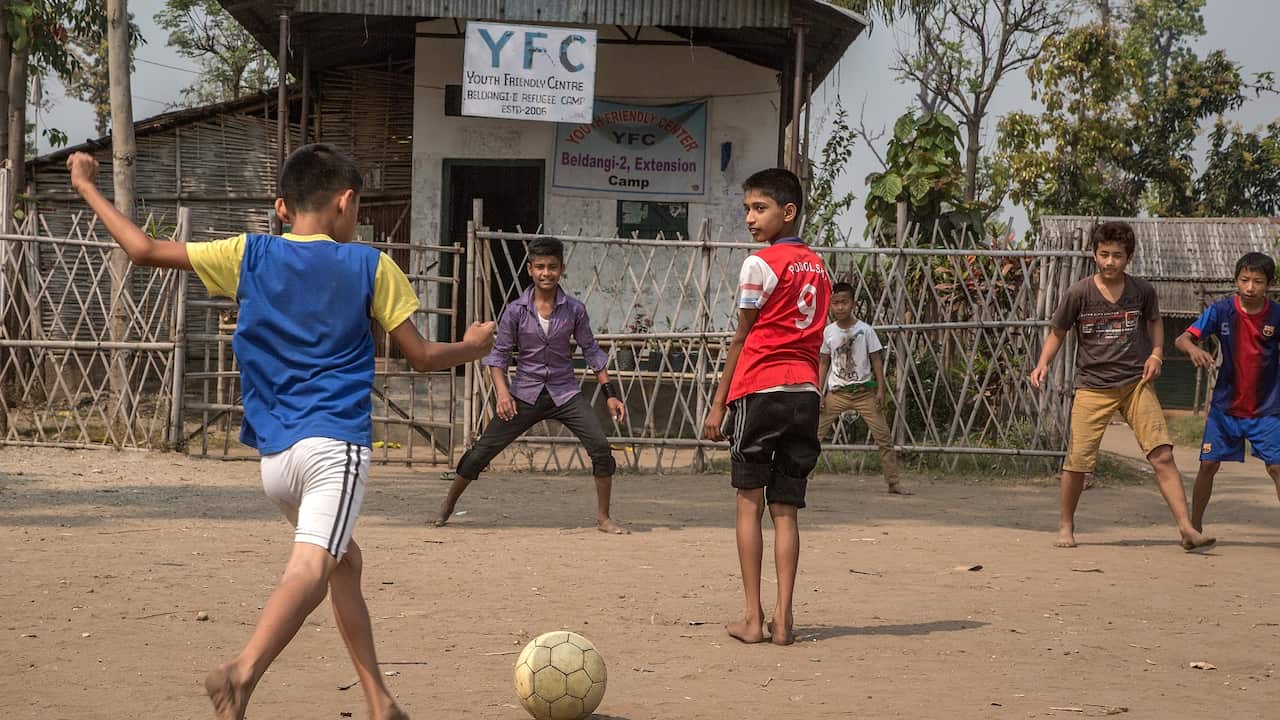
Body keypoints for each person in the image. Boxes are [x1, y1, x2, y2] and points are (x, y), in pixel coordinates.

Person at [67, 144, 496, 720]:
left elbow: (142, 250)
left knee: (344, 563)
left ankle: (379, 701)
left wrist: (87, 187)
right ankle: (243, 673)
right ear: (346, 202)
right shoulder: (370, 265)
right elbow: (418, 356)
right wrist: (472, 346)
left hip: (276, 460)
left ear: (281, 207)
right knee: (312, 567)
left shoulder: (249, 253)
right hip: (333, 448)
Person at [703, 168, 831, 646]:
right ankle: (785, 619)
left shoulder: (759, 264)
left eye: (759, 208)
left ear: (788, 212)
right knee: (787, 510)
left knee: (747, 503)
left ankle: (754, 619)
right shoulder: (819, 267)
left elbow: (742, 337)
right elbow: (817, 343)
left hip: (760, 391)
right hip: (805, 395)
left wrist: (719, 404)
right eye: (747, 210)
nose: (750, 219)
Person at [1030, 220, 1214, 551]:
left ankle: (1186, 527)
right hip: (1093, 386)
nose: (1110, 262)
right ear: (1094, 255)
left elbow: (1156, 322)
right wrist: (1043, 364)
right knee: (1078, 461)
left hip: (1136, 384)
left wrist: (1157, 354)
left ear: (1128, 257)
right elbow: (1058, 332)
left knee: (1163, 455)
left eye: (1117, 255)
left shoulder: (1141, 291)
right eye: (1104, 255)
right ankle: (1065, 525)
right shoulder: (1079, 293)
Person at [435, 236, 629, 534]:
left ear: (561, 269)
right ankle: (447, 506)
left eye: (552, 267)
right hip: (524, 393)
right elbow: (497, 357)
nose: (546, 273)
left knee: (601, 447)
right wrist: (502, 394)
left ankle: (603, 517)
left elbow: (592, 351)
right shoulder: (515, 311)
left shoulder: (574, 309)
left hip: (565, 393)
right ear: (530, 269)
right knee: (482, 451)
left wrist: (610, 394)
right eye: (540, 267)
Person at [1174, 252, 1280, 532]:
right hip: (1225, 408)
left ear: (1268, 284)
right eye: (1245, 280)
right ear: (1236, 280)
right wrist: (1194, 348)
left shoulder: (1277, 315)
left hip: (1266, 408)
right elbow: (1181, 339)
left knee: (1277, 468)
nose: (1250, 287)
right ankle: (1193, 529)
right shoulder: (1221, 311)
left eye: (1258, 281)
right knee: (1208, 465)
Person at [817, 281, 909, 494]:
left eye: (844, 302)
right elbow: (824, 362)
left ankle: (893, 482)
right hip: (837, 393)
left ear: (853, 304)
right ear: (831, 305)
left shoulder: (865, 331)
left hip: (863, 392)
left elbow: (876, 361)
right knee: (814, 436)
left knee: (884, 438)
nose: (840, 307)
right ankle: (802, 478)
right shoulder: (828, 332)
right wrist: (819, 393)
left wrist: (880, 389)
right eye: (836, 303)